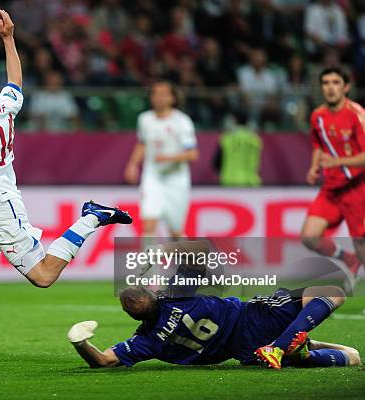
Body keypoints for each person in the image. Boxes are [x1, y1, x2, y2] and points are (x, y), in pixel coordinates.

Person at [0, 10, 132, 368]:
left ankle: (92, 219)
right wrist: (8, 39)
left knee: (43, 276)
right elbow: (15, 80)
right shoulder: (3, 104)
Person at [68, 286, 361, 370]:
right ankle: (283, 345)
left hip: (246, 351)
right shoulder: (178, 295)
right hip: (254, 318)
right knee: (331, 291)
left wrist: (81, 343)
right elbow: (198, 250)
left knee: (353, 357)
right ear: (153, 294)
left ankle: (295, 351)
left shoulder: (147, 341)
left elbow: (104, 359)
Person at [301, 67, 365, 277]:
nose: (330, 88)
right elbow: (318, 145)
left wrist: (337, 161)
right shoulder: (317, 116)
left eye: (335, 82)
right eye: (326, 83)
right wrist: (314, 167)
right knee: (309, 237)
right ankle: (349, 259)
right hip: (331, 188)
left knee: (362, 245)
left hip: (357, 188)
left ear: (346, 87)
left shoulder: (358, 115)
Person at [124, 80, 198, 239]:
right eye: (155, 94)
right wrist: (132, 165)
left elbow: (192, 154)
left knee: (175, 231)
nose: (159, 98)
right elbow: (142, 143)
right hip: (153, 178)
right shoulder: (145, 119)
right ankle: (149, 265)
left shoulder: (182, 122)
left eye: (164, 94)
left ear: (172, 98)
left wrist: (168, 158)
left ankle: (185, 263)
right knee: (148, 225)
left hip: (176, 180)